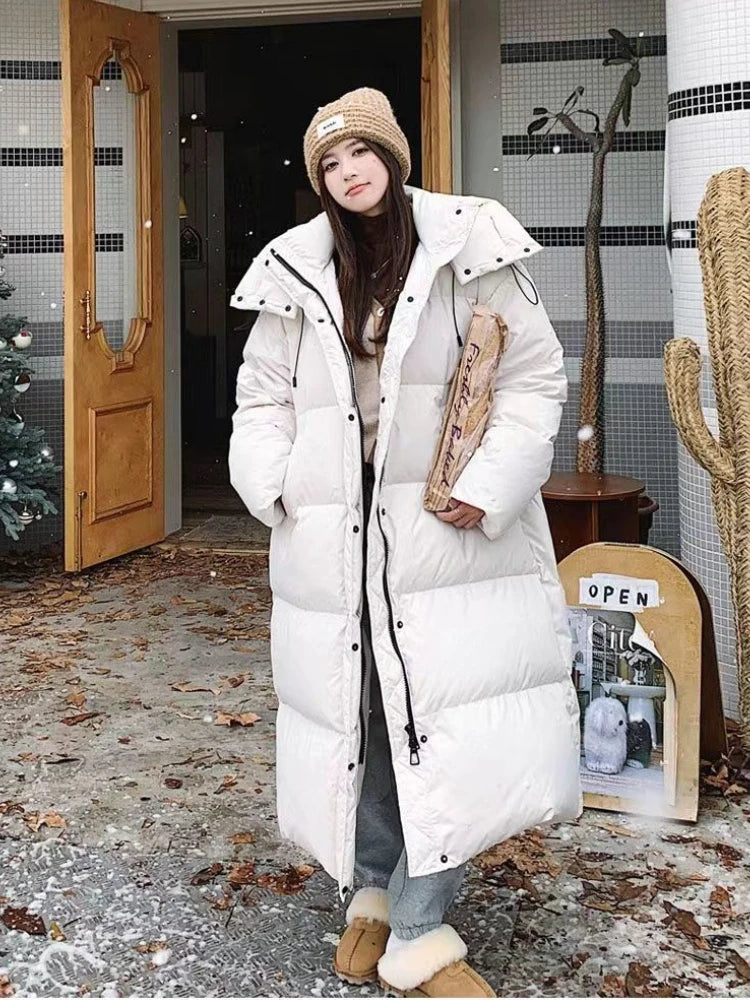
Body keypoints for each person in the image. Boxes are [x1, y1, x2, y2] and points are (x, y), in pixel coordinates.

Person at [228, 87, 582, 998]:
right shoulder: (299, 268)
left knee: (440, 726)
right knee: (366, 719)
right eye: (330, 163)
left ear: (393, 156)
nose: (349, 173)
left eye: (361, 153)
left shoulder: (469, 243)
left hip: (445, 535)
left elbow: (534, 377)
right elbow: (262, 395)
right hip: (336, 537)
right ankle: (376, 894)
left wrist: (485, 485)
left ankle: (422, 928)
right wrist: (274, 484)